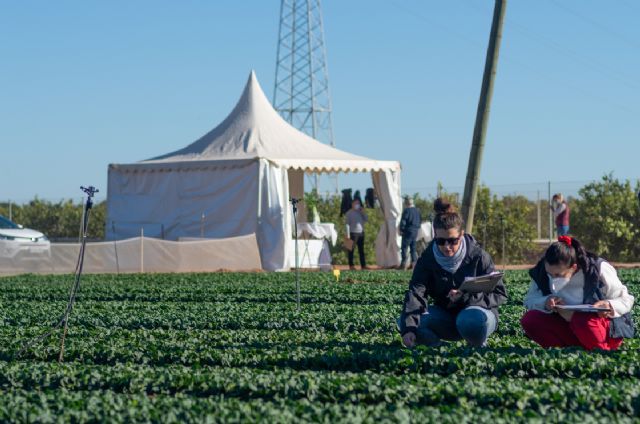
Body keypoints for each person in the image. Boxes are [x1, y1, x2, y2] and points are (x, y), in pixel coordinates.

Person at [398, 198, 508, 348]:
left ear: (461, 235)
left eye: (452, 241)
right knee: (409, 322)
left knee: (469, 319)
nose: (447, 246)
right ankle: (442, 352)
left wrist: (466, 296)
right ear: (434, 236)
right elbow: (416, 293)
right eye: (441, 241)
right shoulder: (427, 259)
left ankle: (477, 345)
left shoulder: (478, 256)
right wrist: (408, 329)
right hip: (447, 317)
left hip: (476, 315)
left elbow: (500, 293)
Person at [521, 236, 634, 350]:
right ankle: (567, 351)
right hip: (568, 326)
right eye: (550, 274)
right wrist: (545, 302)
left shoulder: (598, 268)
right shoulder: (542, 271)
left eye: (559, 275)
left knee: (581, 319)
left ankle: (602, 352)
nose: (553, 279)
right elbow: (530, 300)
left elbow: (626, 299)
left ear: (574, 267)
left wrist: (609, 305)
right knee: (531, 319)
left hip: (601, 328)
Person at [345, 198, 369, 270]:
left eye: (358, 203)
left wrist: (363, 212)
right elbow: (347, 224)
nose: (357, 205)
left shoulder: (360, 212)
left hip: (361, 233)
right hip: (352, 233)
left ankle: (363, 265)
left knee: (361, 250)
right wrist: (347, 234)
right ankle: (351, 265)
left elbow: (366, 219)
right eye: (356, 203)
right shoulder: (349, 213)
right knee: (350, 250)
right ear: (352, 204)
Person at [399, 196, 421, 270]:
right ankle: (413, 264)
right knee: (413, 248)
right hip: (415, 231)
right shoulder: (417, 210)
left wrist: (401, 229)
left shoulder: (407, 210)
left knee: (404, 248)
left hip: (408, 231)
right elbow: (419, 221)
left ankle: (403, 264)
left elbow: (403, 221)